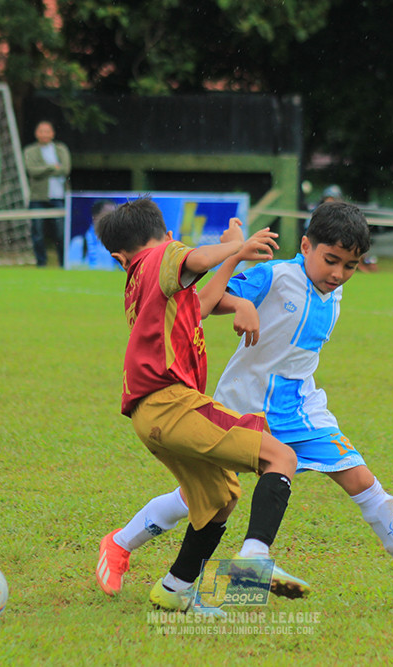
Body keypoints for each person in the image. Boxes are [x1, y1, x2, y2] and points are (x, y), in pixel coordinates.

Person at [97, 201, 393, 602]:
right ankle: (123, 543)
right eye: (331, 260)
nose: (338, 274)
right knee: (203, 496)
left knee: (362, 480)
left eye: (351, 266)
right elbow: (206, 302)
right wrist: (242, 301)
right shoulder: (276, 275)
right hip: (245, 404)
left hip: (302, 409)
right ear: (305, 246)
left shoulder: (332, 293)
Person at [94, 196, 310, 615]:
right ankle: (254, 558)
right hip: (172, 403)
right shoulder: (163, 256)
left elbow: (203, 304)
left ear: (120, 258)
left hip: (150, 415)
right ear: (170, 237)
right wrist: (236, 246)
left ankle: (174, 589)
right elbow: (198, 257)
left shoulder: (150, 286)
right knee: (280, 456)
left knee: (220, 497)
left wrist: (234, 261)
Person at [23, 121, 71, 267]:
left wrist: (44, 169)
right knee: (37, 232)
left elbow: (65, 169)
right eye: (41, 131)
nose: (44, 134)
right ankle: (41, 263)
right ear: (36, 133)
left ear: (52, 134)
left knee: (61, 232)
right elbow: (32, 171)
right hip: (38, 197)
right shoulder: (30, 151)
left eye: (47, 131)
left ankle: (64, 263)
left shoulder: (61, 149)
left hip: (58, 197)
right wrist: (51, 167)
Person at [84, 199, 120, 270]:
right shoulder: (79, 243)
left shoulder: (122, 243)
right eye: (108, 214)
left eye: (115, 214)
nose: (113, 219)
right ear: (95, 217)